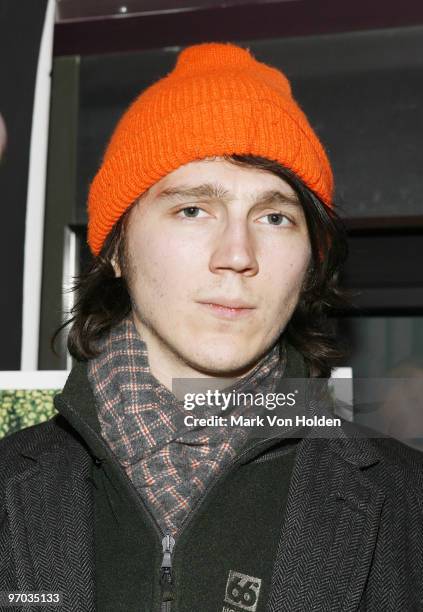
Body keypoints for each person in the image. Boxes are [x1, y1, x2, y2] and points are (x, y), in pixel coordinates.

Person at [1, 42, 422, 612]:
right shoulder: (9, 486)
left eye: (275, 217)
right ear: (118, 249)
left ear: (309, 263)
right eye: (193, 209)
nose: (238, 254)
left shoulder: (406, 501)